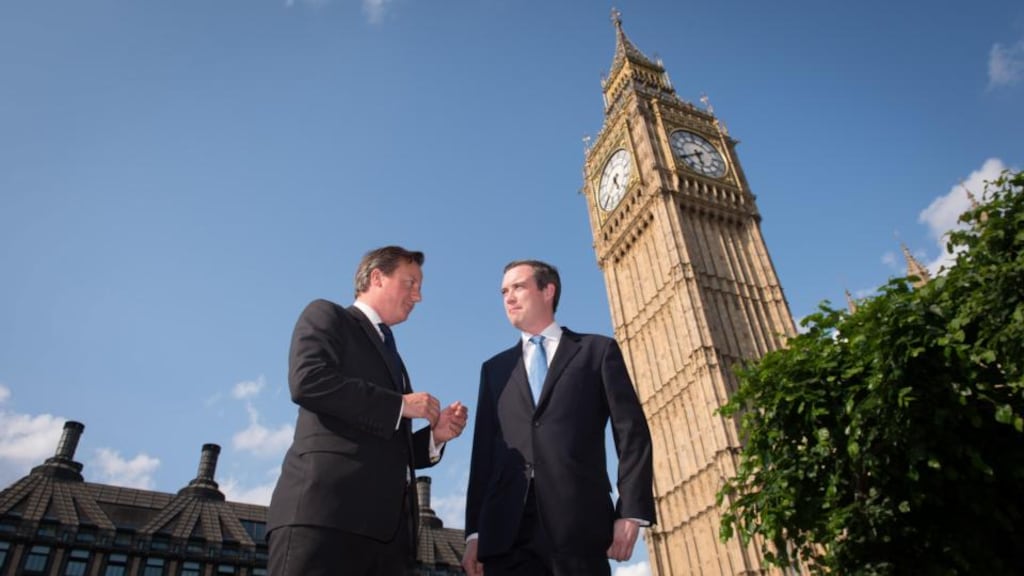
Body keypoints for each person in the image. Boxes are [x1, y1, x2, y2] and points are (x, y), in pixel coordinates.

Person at [267, 245, 468, 576]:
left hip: (388, 541)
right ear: (377, 277)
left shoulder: (395, 357)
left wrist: (435, 436)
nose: (418, 297)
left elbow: (385, 442)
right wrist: (400, 404)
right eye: (411, 283)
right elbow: (308, 381)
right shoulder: (328, 316)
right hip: (327, 520)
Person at [463, 260, 656, 576]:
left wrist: (631, 512)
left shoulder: (597, 351)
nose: (508, 297)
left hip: (578, 526)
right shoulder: (494, 369)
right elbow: (483, 454)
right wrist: (475, 533)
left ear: (547, 290)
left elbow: (632, 433)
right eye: (503, 291)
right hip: (505, 534)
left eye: (518, 287)